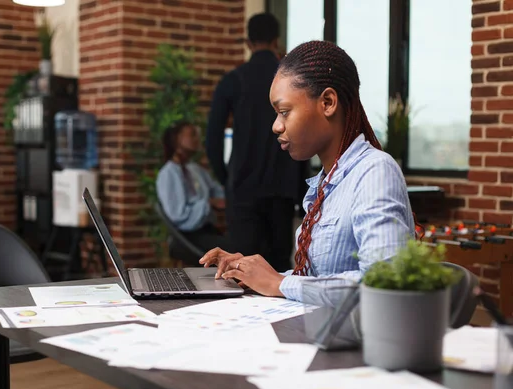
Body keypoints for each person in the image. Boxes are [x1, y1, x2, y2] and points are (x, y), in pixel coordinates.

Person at [200, 40, 419, 306]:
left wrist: (278, 283)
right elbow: (321, 280)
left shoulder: (374, 172)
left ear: (327, 102)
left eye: (284, 112)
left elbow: (385, 284)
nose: (275, 126)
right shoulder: (326, 183)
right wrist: (251, 274)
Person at [205, 13, 309, 272]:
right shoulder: (293, 82)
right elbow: (307, 132)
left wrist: (227, 178)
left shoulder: (233, 80)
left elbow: (212, 138)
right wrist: (299, 190)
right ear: (276, 40)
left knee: (239, 268)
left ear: (248, 42)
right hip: (282, 189)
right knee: (277, 270)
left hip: (243, 190)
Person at [156, 121, 228, 265]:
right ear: (177, 140)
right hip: (187, 236)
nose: (197, 139)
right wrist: (208, 203)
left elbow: (218, 191)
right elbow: (178, 215)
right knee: (236, 248)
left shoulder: (195, 169)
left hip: (207, 230)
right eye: (192, 135)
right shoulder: (168, 174)